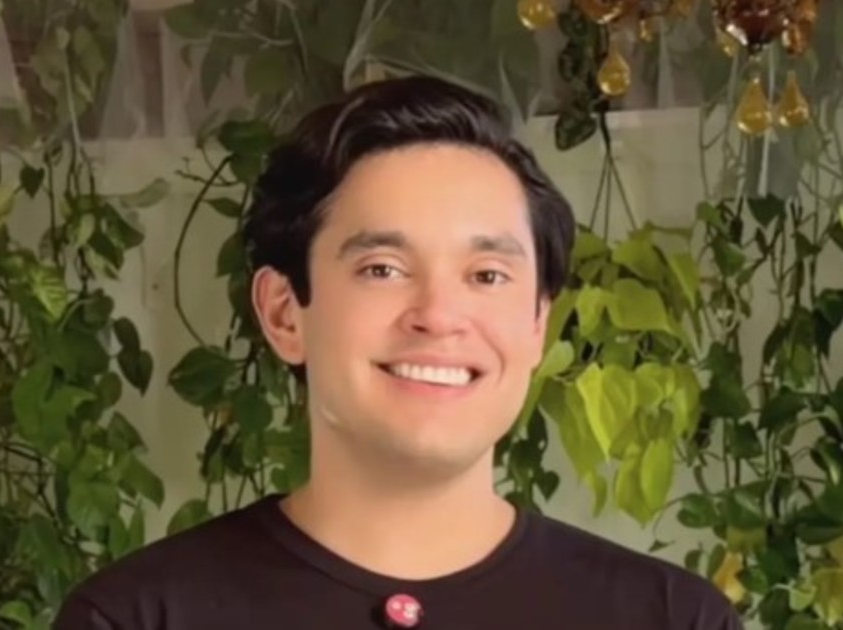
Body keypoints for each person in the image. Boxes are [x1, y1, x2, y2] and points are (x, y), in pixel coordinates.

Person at [53, 74, 742, 629]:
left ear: (538, 323)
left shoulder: (674, 619)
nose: (438, 315)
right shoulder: (135, 617)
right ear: (284, 312)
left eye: (487, 276)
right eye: (382, 268)